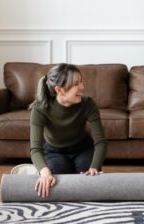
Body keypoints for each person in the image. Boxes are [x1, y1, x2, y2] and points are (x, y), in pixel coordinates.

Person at [29, 63, 107, 198]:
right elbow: (35, 148)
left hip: (83, 148)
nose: (82, 87)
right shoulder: (40, 108)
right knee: (56, 179)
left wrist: (94, 167)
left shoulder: (87, 103)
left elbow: (100, 141)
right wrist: (45, 171)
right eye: (76, 84)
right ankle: (38, 169)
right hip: (54, 152)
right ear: (59, 90)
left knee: (89, 180)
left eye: (81, 82)